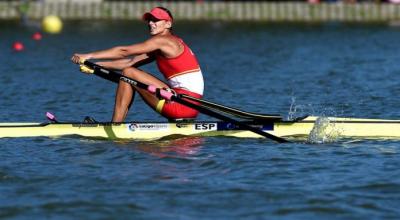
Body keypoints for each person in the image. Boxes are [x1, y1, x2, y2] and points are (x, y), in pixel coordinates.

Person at [71, 7, 204, 122]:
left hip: (182, 105)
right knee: (129, 70)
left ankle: (116, 126)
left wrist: (89, 56)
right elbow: (130, 61)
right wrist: (95, 66)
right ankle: (117, 125)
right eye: (149, 20)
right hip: (186, 104)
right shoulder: (165, 46)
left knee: (129, 73)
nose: (151, 23)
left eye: (156, 20)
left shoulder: (164, 41)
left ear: (168, 24)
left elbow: (124, 52)